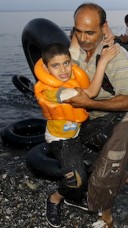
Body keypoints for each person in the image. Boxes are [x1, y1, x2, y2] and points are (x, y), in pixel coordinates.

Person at [65, 3, 128, 227]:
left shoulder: (116, 56)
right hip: (92, 117)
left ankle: (107, 219)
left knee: (105, 172)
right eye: (79, 31)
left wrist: (89, 101)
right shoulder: (76, 47)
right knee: (93, 164)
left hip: (120, 118)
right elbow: (76, 38)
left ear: (103, 28)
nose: (84, 38)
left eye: (90, 32)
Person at [36, 42, 119, 228]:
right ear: (46, 68)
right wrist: (103, 62)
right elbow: (90, 93)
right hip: (60, 139)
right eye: (55, 66)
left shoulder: (71, 73)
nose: (63, 69)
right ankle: (55, 199)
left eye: (66, 63)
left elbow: (73, 49)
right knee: (76, 178)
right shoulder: (51, 91)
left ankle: (73, 199)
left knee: (101, 156)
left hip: (77, 131)